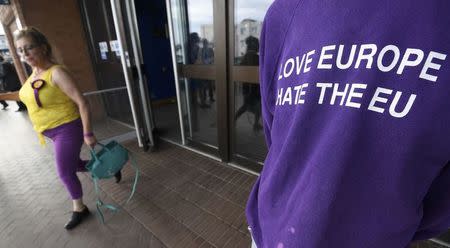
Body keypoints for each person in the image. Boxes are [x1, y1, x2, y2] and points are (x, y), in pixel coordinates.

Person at [246, 1, 450, 248]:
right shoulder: (286, 11)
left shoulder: (288, 9)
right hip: (272, 228)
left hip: (276, 224)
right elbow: (279, 131)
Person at [0, 27, 121, 230]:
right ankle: (111, 166)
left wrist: (88, 133)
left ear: (44, 48)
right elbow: (22, 95)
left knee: (64, 172)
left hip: (67, 128)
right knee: (72, 165)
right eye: (20, 51)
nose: (25, 54)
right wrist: (2, 96)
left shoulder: (56, 73)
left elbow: (82, 102)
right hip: (51, 132)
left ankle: (79, 208)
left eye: (29, 48)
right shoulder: (34, 75)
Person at [235, 36, 262, 131]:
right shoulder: (256, 58)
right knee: (250, 106)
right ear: (254, 46)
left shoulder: (245, 57)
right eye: (258, 44)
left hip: (247, 88)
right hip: (254, 88)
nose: (259, 46)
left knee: (247, 106)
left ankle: (255, 124)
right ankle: (255, 124)